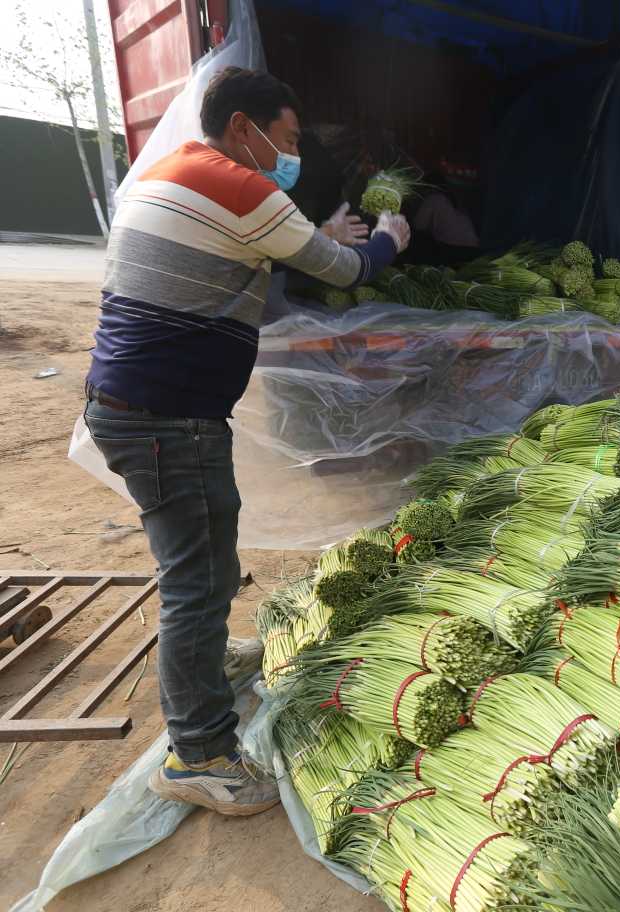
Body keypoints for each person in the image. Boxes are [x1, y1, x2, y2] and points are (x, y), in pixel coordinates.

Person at [81, 67, 411, 817]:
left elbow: (234, 259)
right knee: (195, 582)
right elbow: (345, 271)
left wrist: (309, 234)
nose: (290, 156)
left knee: (207, 552)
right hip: (166, 417)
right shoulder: (239, 182)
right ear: (243, 128)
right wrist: (385, 241)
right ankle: (198, 755)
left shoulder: (177, 170)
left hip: (142, 406)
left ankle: (205, 664)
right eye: (287, 140)